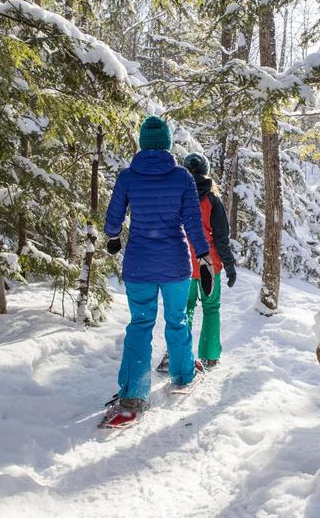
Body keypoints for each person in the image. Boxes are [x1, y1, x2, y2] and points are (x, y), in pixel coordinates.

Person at [99, 116, 215, 428]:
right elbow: (192, 221)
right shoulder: (181, 178)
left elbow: (113, 218)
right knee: (177, 320)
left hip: (139, 264)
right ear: (165, 143)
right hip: (176, 263)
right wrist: (203, 256)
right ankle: (181, 376)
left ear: (142, 143)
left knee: (140, 325)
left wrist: (112, 237)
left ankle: (134, 394)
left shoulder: (128, 177)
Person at [156, 152, 236, 372]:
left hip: (182, 265)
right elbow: (221, 238)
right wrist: (229, 265)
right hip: (209, 264)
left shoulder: (175, 198)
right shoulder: (212, 201)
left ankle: (175, 355)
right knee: (211, 308)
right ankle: (210, 356)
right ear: (205, 172)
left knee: (184, 310)